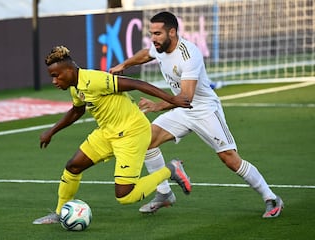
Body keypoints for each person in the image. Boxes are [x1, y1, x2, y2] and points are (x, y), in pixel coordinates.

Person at [109, 11, 284, 218]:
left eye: (157, 33)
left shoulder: (189, 54)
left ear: (172, 32)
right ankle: (164, 193)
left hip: (203, 110)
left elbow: (186, 98)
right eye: (151, 33)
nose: (153, 38)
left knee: (229, 158)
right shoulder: (159, 48)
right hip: (180, 110)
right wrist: (125, 65)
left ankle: (271, 197)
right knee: (145, 141)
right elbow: (145, 54)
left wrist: (156, 105)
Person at [32, 45, 193, 224]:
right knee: (73, 166)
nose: (54, 81)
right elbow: (77, 111)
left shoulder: (95, 80)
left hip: (131, 133)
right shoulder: (74, 86)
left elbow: (137, 84)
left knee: (125, 196)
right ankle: (60, 212)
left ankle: (171, 169)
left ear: (70, 70)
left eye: (56, 76)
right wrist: (52, 131)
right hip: (107, 132)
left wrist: (172, 99)